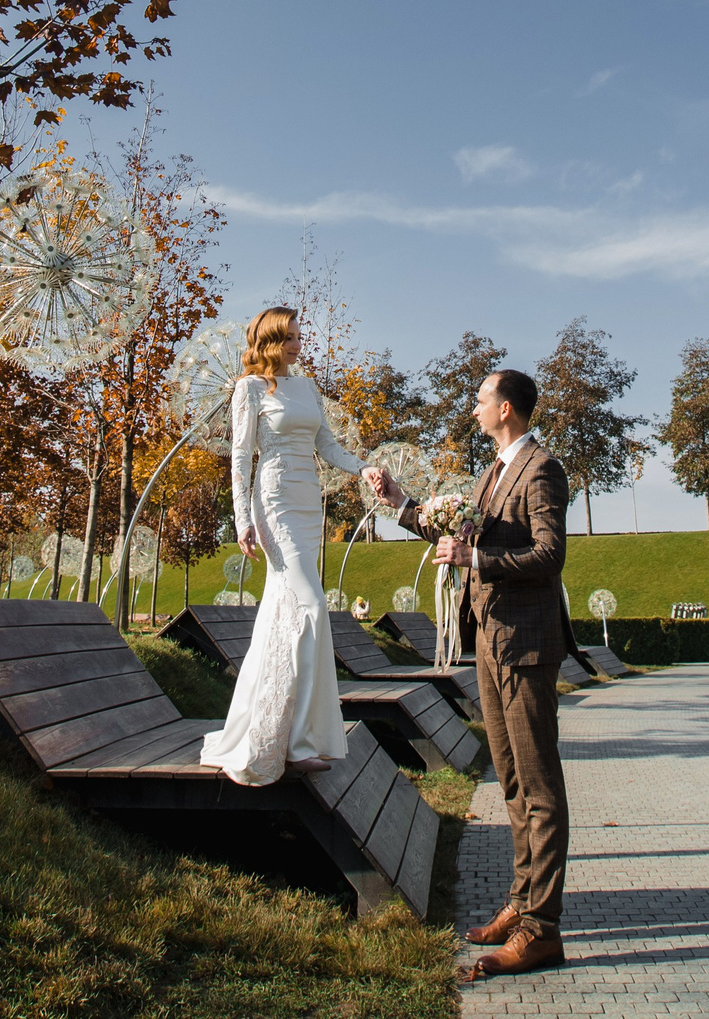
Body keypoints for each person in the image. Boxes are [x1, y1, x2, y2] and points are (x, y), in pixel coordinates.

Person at [367, 367, 569, 980]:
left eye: (481, 399)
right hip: (489, 641)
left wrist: (478, 557)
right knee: (508, 780)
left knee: (538, 786)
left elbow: (550, 553)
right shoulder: (492, 473)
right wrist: (399, 501)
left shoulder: (541, 469)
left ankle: (541, 929)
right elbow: (455, 531)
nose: (475, 407)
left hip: (526, 644)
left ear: (506, 408)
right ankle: (520, 901)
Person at [200, 307, 379, 786]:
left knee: (287, 614)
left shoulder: (307, 388)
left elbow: (328, 446)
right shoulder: (249, 389)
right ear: (270, 341)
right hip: (274, 503)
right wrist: (242, 521)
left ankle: (277, 728)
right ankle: (300, 743)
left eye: (301, 337)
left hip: (307, 505)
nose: (300, 345)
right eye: (292, 338)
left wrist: (363, 468)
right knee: (312, 606)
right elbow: (240, 459)